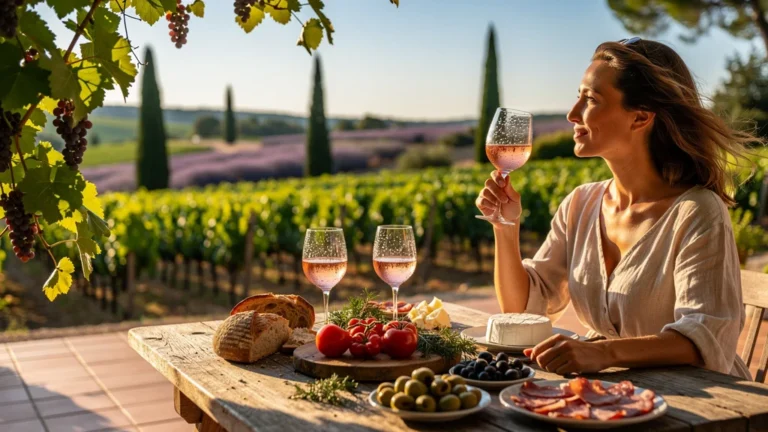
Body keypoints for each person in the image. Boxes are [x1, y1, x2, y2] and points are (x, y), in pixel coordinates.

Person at [476, 37, 763, 379]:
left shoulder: (697, 212)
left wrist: (602, 352)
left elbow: (703, 336)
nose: (571, 115)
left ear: (640, 117)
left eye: (591, 99)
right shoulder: (581, 204)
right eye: (577, 97)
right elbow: (520, 309)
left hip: (704, 405)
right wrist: (505, 228)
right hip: (615, 396)